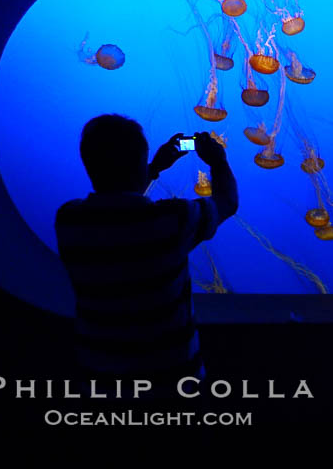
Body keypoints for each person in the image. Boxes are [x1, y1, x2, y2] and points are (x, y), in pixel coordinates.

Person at [54, 115, 237, 399]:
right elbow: (227, 202)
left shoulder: (69, 221)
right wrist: (217, 161)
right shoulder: (174, 219)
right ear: (140, 162)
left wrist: (152, 169)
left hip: (98, 384)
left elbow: (118, 208)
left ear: (88, 164)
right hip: (173, 387)